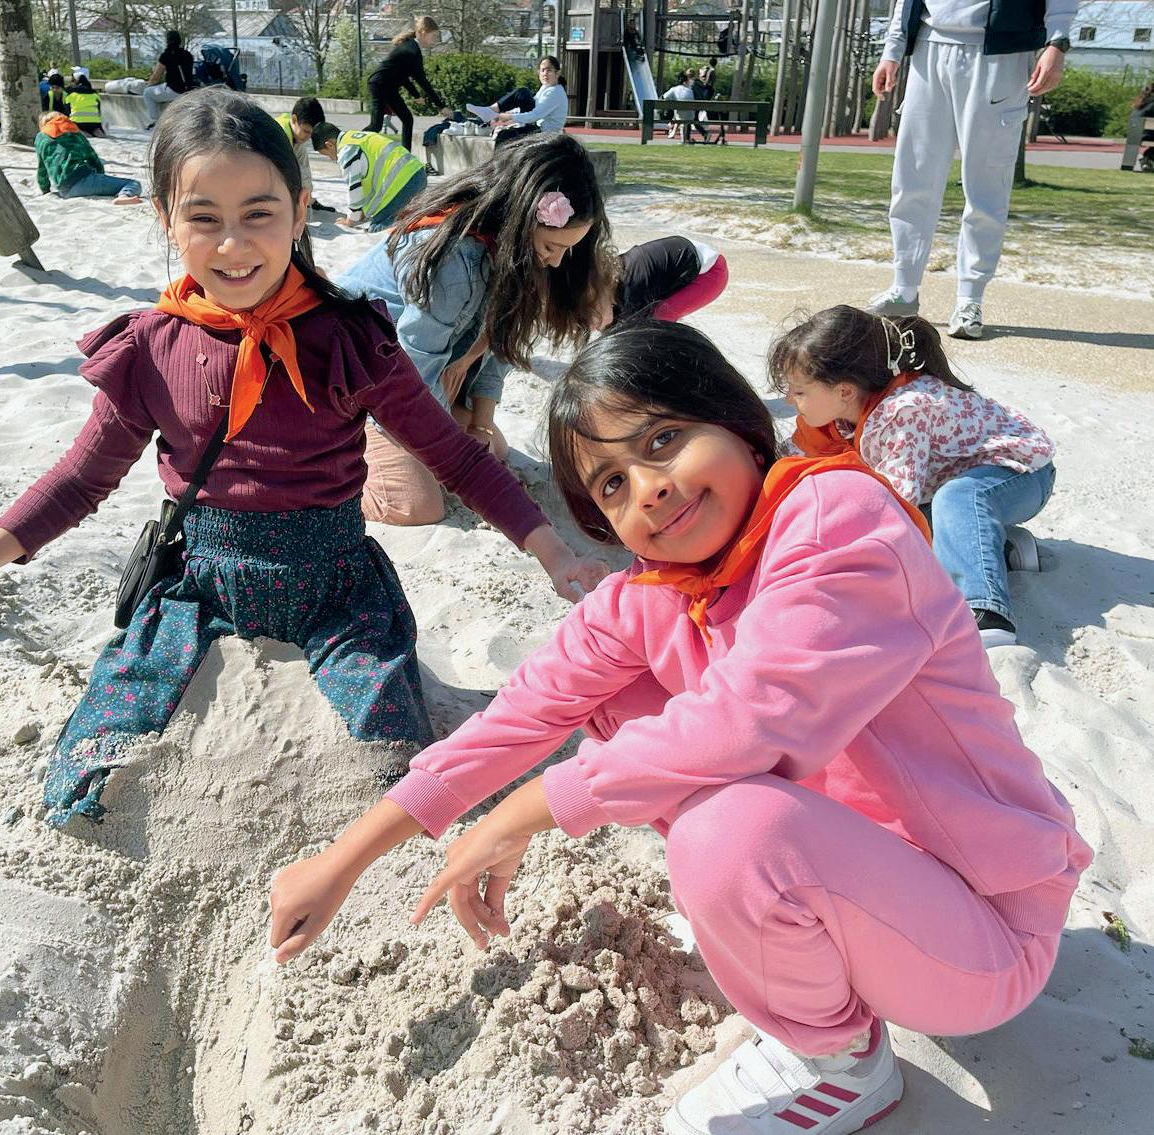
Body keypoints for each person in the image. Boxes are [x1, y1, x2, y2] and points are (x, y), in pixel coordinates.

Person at [269, 318, 1090, 1135]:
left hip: (985, 927)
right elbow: (519, 715)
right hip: (858, 889)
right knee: (614, 701)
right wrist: (340, 863)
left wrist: (525, 812)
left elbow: (750, 716)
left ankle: (842, 1063)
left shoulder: (836, 515)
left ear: (734, 420)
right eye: (611, 484)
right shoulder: (657, 589)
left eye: (662, 440)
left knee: (724, 828)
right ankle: (779, 931)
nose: (648, 488)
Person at [0, 88, 605, 826]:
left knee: (392, 756)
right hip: (201, 584)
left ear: (300, 206)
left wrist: (551, 551)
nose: (233, 245)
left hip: (337, 584)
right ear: (164, 217)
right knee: (88, 771)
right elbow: (80, 478)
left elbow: (456, 458)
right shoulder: (152, 345)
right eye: (203, 219)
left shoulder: (350, 337)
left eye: (259, 214)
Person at [338, 132, 610, 505]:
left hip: (420, 371)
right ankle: (338, 464)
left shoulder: (515, 254)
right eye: (551, 246)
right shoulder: (453, 258)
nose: (556, 261)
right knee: (418, 505)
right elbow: (416, 370)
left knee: (494, 449)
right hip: (362, 377)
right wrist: (464, 463)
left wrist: (482, 427)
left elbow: (501, 347)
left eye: (568, 250)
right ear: (519, 221)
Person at [770, 304, 1054, 649]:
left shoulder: (903, 412)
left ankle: (986, 612)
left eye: (799, 391)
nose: (788, 399)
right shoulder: (840, 416)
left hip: (1022, 472)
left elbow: (896, 504)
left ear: (844, 391)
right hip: (958, 479)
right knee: (938, 514)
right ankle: (1007, 548)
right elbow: (792, 460)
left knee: (956, 500)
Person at [869, 0, 1077, 339]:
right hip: (929, 47)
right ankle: (903, 289)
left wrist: (1057, 43)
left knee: (986, 185)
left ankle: (970, 298)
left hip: (999, 53)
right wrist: (892, 51)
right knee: (912, 179)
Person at [591, 234, 728, 330]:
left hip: (711, 271)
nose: (592, 328)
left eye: (593, 317)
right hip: (683, 253)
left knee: (656, 322)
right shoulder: (603, 278)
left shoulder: (630, 292)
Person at [312, 123, 428, 231]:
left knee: (379, 228)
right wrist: (363, 211)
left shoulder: (346, 151)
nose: (332, 159)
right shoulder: (357, 137)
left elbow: (354, 189)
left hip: (401, 183)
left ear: (329, 145)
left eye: (328, 154)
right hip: (418, 173)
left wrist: (351, 220)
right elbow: (370, 179)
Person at [365, 15, 450, 152]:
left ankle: (405, 155)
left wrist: (416, 95)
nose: (435, 39)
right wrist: (441, 106)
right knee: (376, 125)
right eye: (434, 36)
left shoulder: (411, 47)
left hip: (389, 86)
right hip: (379, 84)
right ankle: (350, 144)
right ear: (423, 33)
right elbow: (422, 81)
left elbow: (404, 76)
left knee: (407, 119)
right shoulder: (412, 51)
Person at [34, 110, 142, 203]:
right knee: (133, 184)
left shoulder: (41, 138)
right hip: (83, 179)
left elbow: (42, 169)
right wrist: (100, 176)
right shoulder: (74, 132)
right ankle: (124, 196)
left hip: (64, 188)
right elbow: (93, 158)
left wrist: (45, 190)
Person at [480, 55, 568, 147]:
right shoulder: (545, 88)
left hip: (544, 133)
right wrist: (507, 113)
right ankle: (490, 111)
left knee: (504, 136)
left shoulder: (555, 92)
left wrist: (509, 117)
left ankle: (490, 111)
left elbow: (535, 115)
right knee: (522, 93)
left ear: (557, 73)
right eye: (542, 70)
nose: (545, 74)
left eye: (549, 70)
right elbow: (534, 105)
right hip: (536, 127)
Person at [274, 95, 334, 211]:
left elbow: (304, 174)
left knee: (302, 162)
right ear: (294, 120)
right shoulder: (279, 136)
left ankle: (308, 201)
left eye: (312, 134)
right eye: (306, 131)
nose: (308, 137)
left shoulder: (295, 136)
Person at [143, 29, 193, 127]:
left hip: (174, 90)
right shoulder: (188, 54)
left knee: (147, 93)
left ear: (167, 41)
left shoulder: (166, 55)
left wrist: (149, 85)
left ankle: (155, 122)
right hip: (188, 89)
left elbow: (156, 77)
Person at [662, 70, 708, 143]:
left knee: (678, 112)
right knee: (687, 115)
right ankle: (686, 139)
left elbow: (664, 97)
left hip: (680, 116)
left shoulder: (674, 89)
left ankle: (683, 139)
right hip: (691, 115)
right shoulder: (690, 90)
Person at [67, 67, 104, 136]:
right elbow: (99, 112)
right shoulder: (95, 94)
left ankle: (80, 131)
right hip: (95, 123)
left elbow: (67, 110)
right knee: (93, 123)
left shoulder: (71, 93)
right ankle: (95, 130)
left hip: (78, 123)